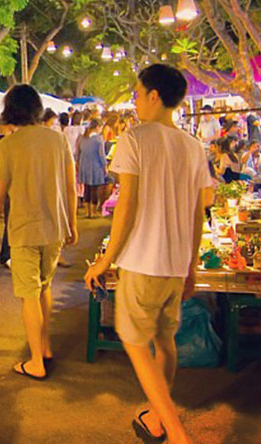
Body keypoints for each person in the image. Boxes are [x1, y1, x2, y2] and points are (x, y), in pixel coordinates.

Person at [85, 64, 209, 444]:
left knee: (136, 343)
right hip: (174, 263)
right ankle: (157, 419)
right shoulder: (192, 146)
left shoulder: (136, 138)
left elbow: (127, 205)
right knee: (164, 341)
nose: (136, 101)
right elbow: (196, 213)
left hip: (142, 260)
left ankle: (175, 432)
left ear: (155, 95)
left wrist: (105, 262)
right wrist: (190, 266)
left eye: (138, 93)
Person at [0, 85, 78, 380]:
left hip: (24, 229)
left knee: (29, 295)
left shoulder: (6, 146)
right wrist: (72, 224)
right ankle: (45, 345)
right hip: (54, 227)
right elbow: (70, 187)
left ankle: (36, 360)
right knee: (45, 288)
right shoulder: (57, 140)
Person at [77, 119, 107, 218]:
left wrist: (78, 164)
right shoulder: (99, 139)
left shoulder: (82, 138)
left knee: (86, 189)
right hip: (95, 166)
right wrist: (105, 166)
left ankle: (87, 211)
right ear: (97, 127)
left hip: (84, 165)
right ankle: (93, 212)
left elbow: (78, 153)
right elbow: (102, 155)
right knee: (94, 189)